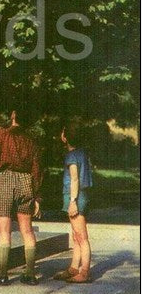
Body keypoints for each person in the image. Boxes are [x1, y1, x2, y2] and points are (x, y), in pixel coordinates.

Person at [0, 107, 42, 285]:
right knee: (27, 230)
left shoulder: (1, 135)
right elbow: (37, 169)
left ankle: (1, 274)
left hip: (5, 180)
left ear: (13, 115)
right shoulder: (32, 140)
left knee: (4, 230)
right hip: (26, 181)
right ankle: (30, 274)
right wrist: (37, 196)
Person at [53, 121, 93, 283]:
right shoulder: (82, 153)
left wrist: (72, 201)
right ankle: (73, 268)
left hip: (76, 196)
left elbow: (75, 179)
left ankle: (84, 272)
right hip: (84, 195)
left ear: (65, 137)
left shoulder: (71, 156)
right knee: (77, 235)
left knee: (81, 236)